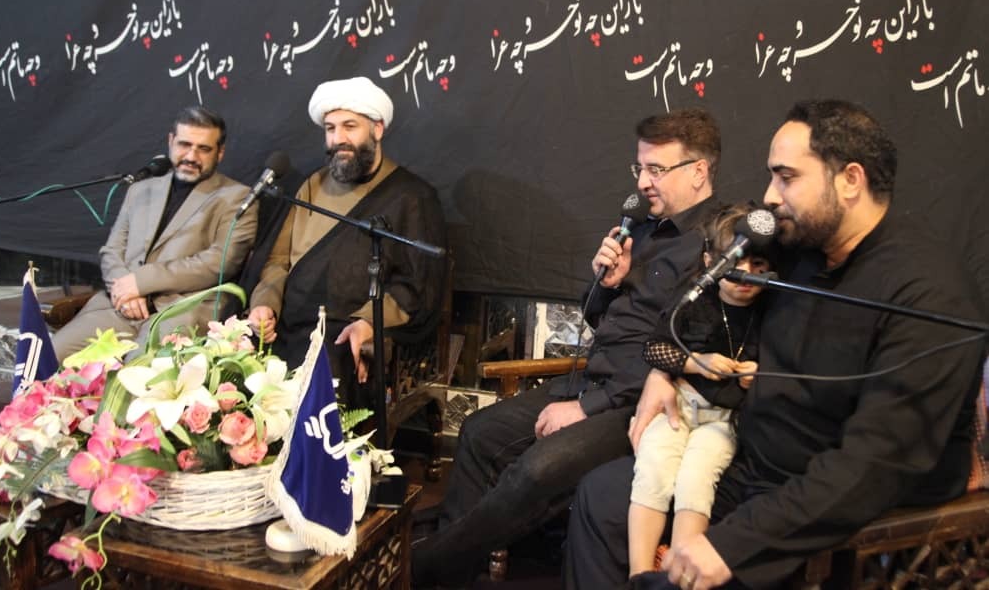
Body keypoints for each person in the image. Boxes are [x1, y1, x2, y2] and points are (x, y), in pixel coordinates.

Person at [566, 99, 987, 590]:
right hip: (746, 464)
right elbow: (705, 284)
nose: (769, 196)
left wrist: (733, 545)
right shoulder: (796, 246)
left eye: (786, 177)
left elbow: (875, 465)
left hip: (830, 505)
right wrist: (666, 369)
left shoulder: (929, 292)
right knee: (599, 498)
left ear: (850, 180)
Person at [411, 108, 724, 587]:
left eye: (656, 169)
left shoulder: (716, 242)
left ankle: (425, 566)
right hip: (591, 379)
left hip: (640, 404)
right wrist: (606, 284)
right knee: (479, 431)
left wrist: (586, 408)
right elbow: (600, 319)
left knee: (537, 470)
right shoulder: (641, 230)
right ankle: (454, 575)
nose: (643, 182)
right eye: (640, 168)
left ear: (699, 170)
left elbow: (687, 349)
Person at [246, 76, 446, 406]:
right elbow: (278, 261)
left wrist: (368, 324)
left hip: (342, 332)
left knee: (331, 368)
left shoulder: (412, 196)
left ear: (377, 129)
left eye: (350, 126)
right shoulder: (311, 185)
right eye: (330, 128)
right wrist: (264, 305)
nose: (338, 138)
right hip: (286, 327)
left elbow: (416, 287)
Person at [629, 203, 769, 576]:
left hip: (724, 419)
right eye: (733, 261)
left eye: (758, 264)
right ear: (709, 261)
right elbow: (653, 348)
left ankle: (679, 573)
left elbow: (783, 366)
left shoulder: (771, 310)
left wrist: (758, 374)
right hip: (680, 403)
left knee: (697, 477)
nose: (746, 273)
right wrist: (696, 362)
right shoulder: (694, 297)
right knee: (653, 469)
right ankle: (639, 575)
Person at [52, 106, 257, 360]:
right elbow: (111, 250)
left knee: (136, 371)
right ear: (171, 141)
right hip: (118, 307)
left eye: (203, 149)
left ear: (220, 153)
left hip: (181, 310)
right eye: (184, 145)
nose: (191, 156)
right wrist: (124, 290)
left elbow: (220, 263)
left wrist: (141, 282)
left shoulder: (237, 198)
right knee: (47, 357)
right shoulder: (140, 190)